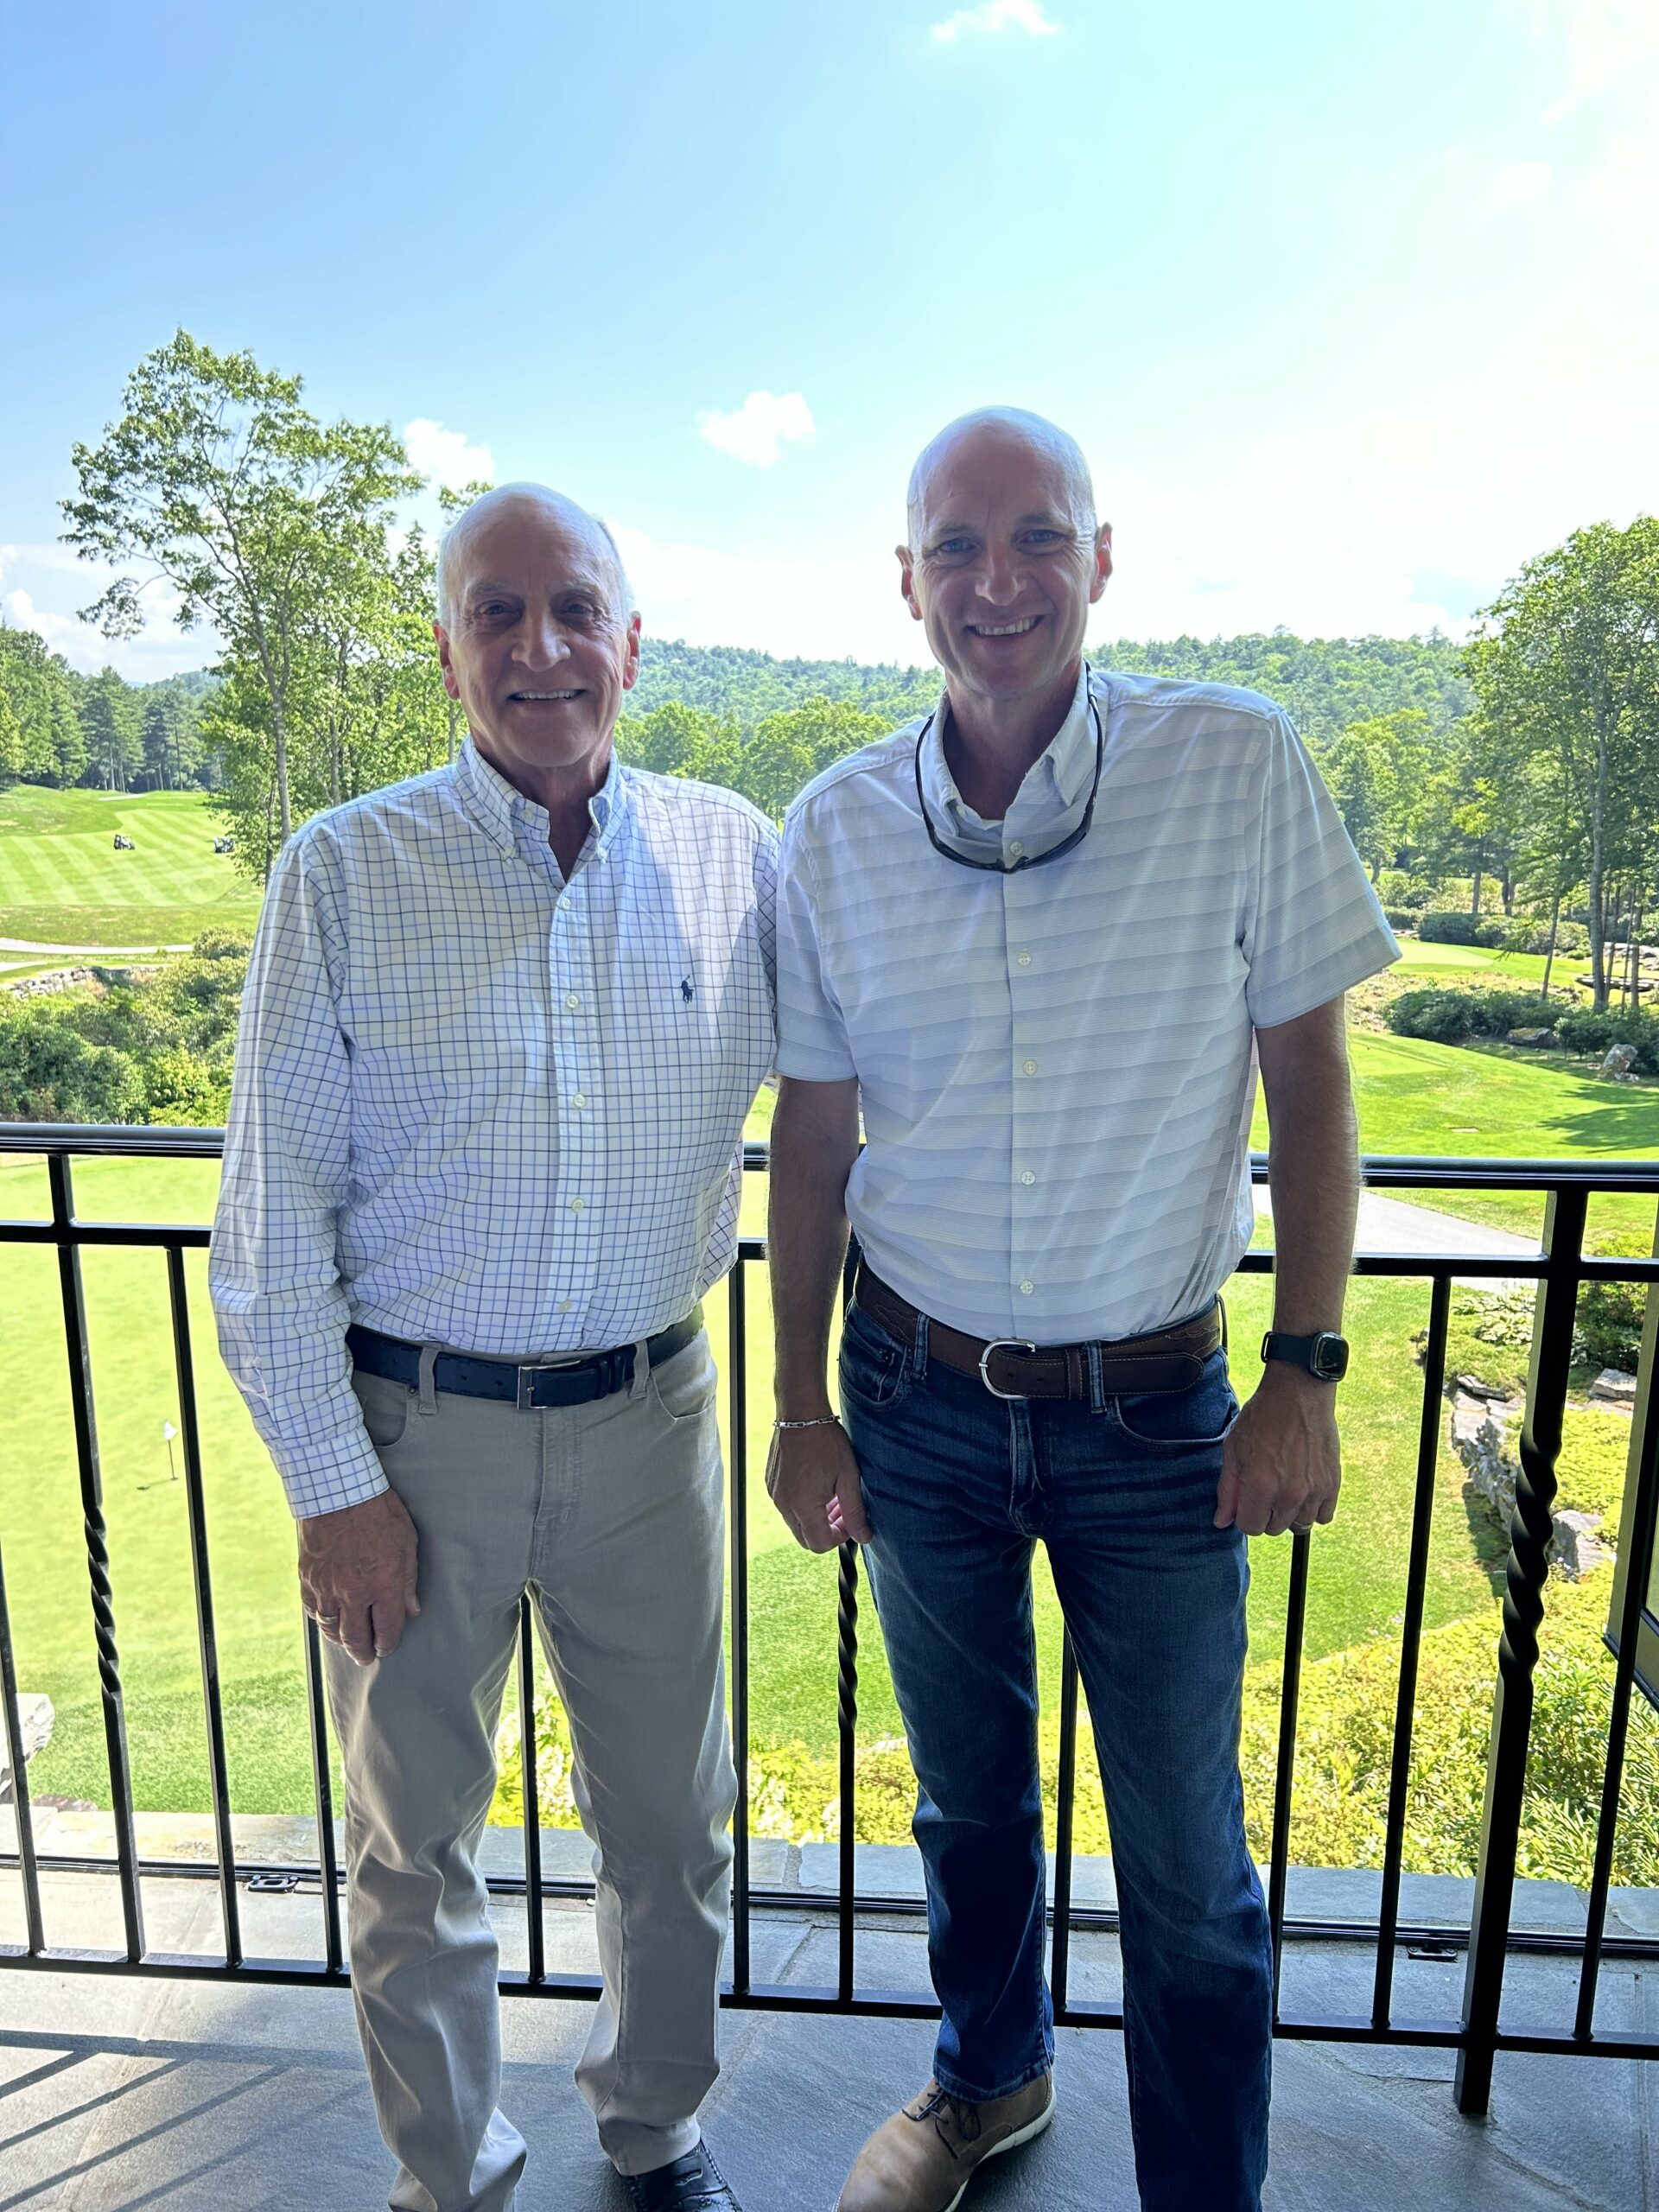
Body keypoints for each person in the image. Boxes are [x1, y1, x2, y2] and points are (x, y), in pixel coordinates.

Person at [765, 410, 1397, 2212]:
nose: (997, 581)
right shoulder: (835, 829)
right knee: (969, 1806)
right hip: (920, 1394)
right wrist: (804, 1403)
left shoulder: (1235, 763)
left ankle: (1205, 2191)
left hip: (1159, 1413)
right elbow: (811, 1137)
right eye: (954, 549)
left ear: (1102, 559)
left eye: (1037, 537)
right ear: (905, 585)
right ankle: (990, 2080)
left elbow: (1315, 1085)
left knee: (1190, 1861)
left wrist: (1307, 1366)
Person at [211, 484, 775, 2212]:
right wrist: (335, 1485)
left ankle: (654, 2122)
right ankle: (447, 2168)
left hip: (648, 1423)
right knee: (408, 1847)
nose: (539, 648)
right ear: (446, 645)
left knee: (673, 1831)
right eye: (495, 612)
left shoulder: (732, 856)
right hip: (415, 1432)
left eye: (571, 608)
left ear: (629, 637)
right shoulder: (342, 872)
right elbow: (265, 1223)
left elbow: (843, 1110)